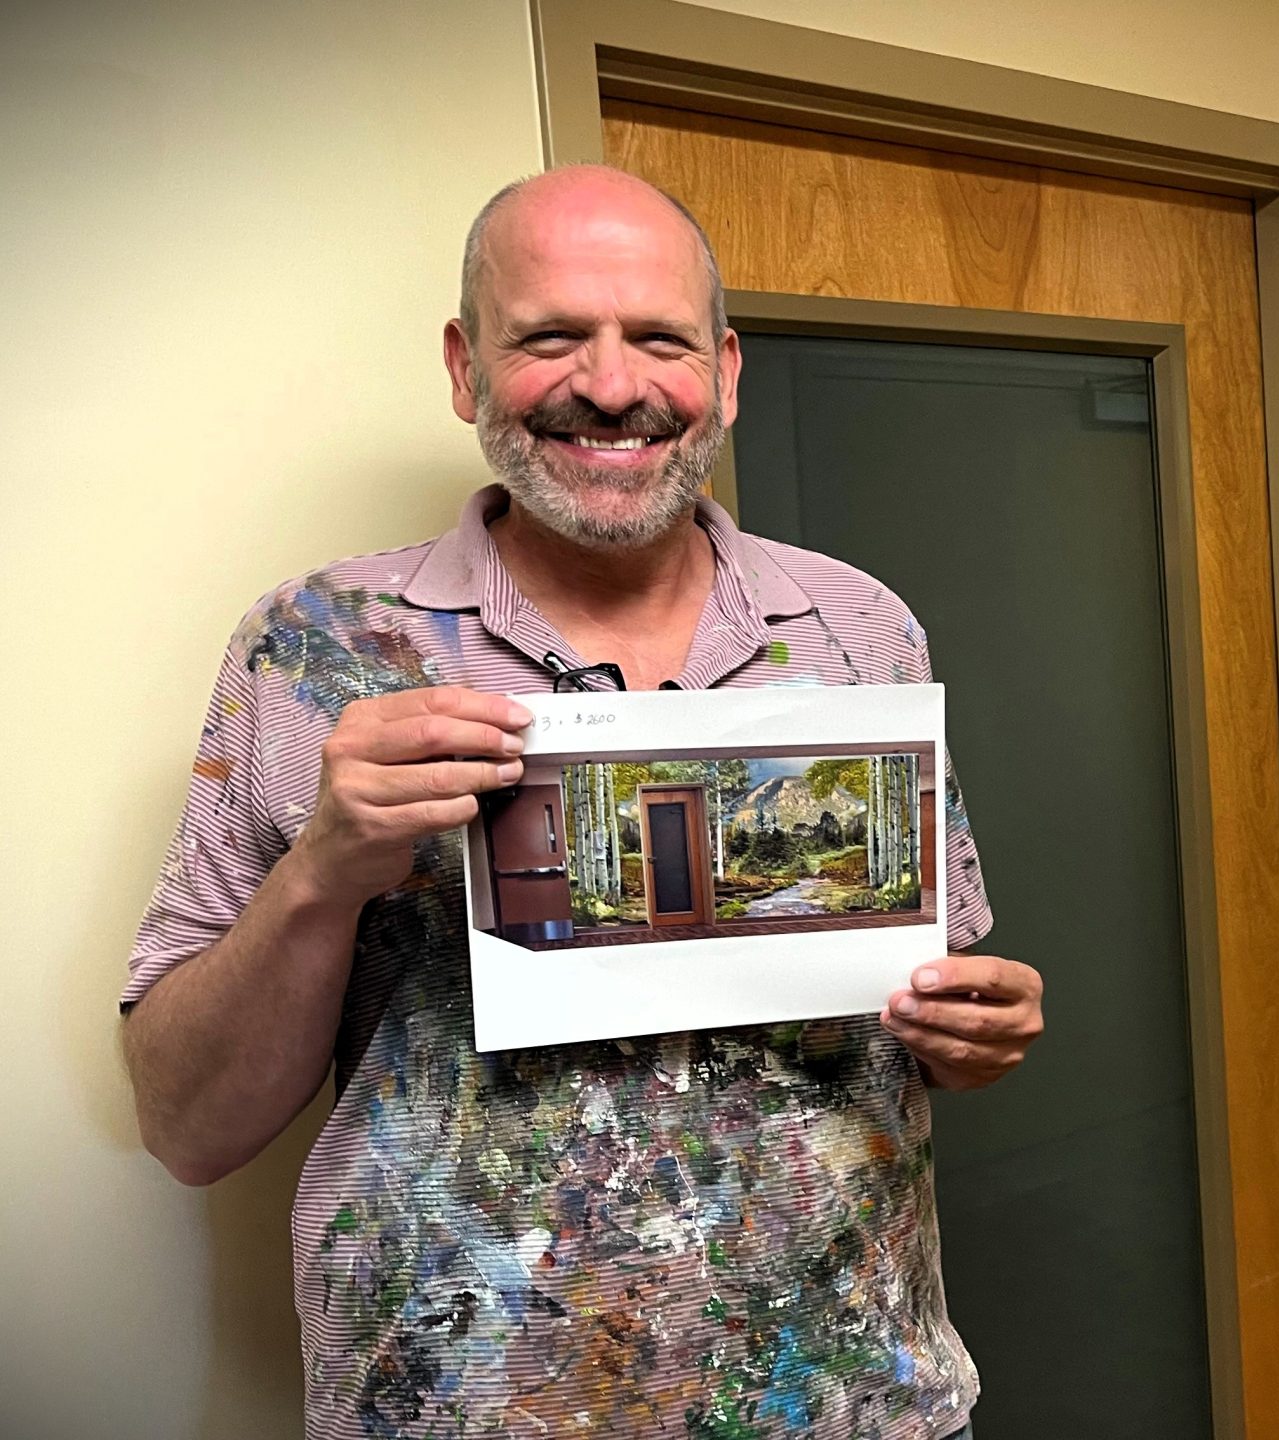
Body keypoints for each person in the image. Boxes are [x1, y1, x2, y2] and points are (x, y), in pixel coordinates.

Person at [120, 165, 1041, 1440]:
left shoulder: (857, 622)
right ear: (464, 366)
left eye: (657, 338)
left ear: (722, 370)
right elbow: (186, 1127)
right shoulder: (318, 644)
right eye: (551, 336)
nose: (610, 386)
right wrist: (323, 870)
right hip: (465, 1410)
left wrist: (970, 1028)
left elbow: (928, 992)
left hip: (852, 1404)